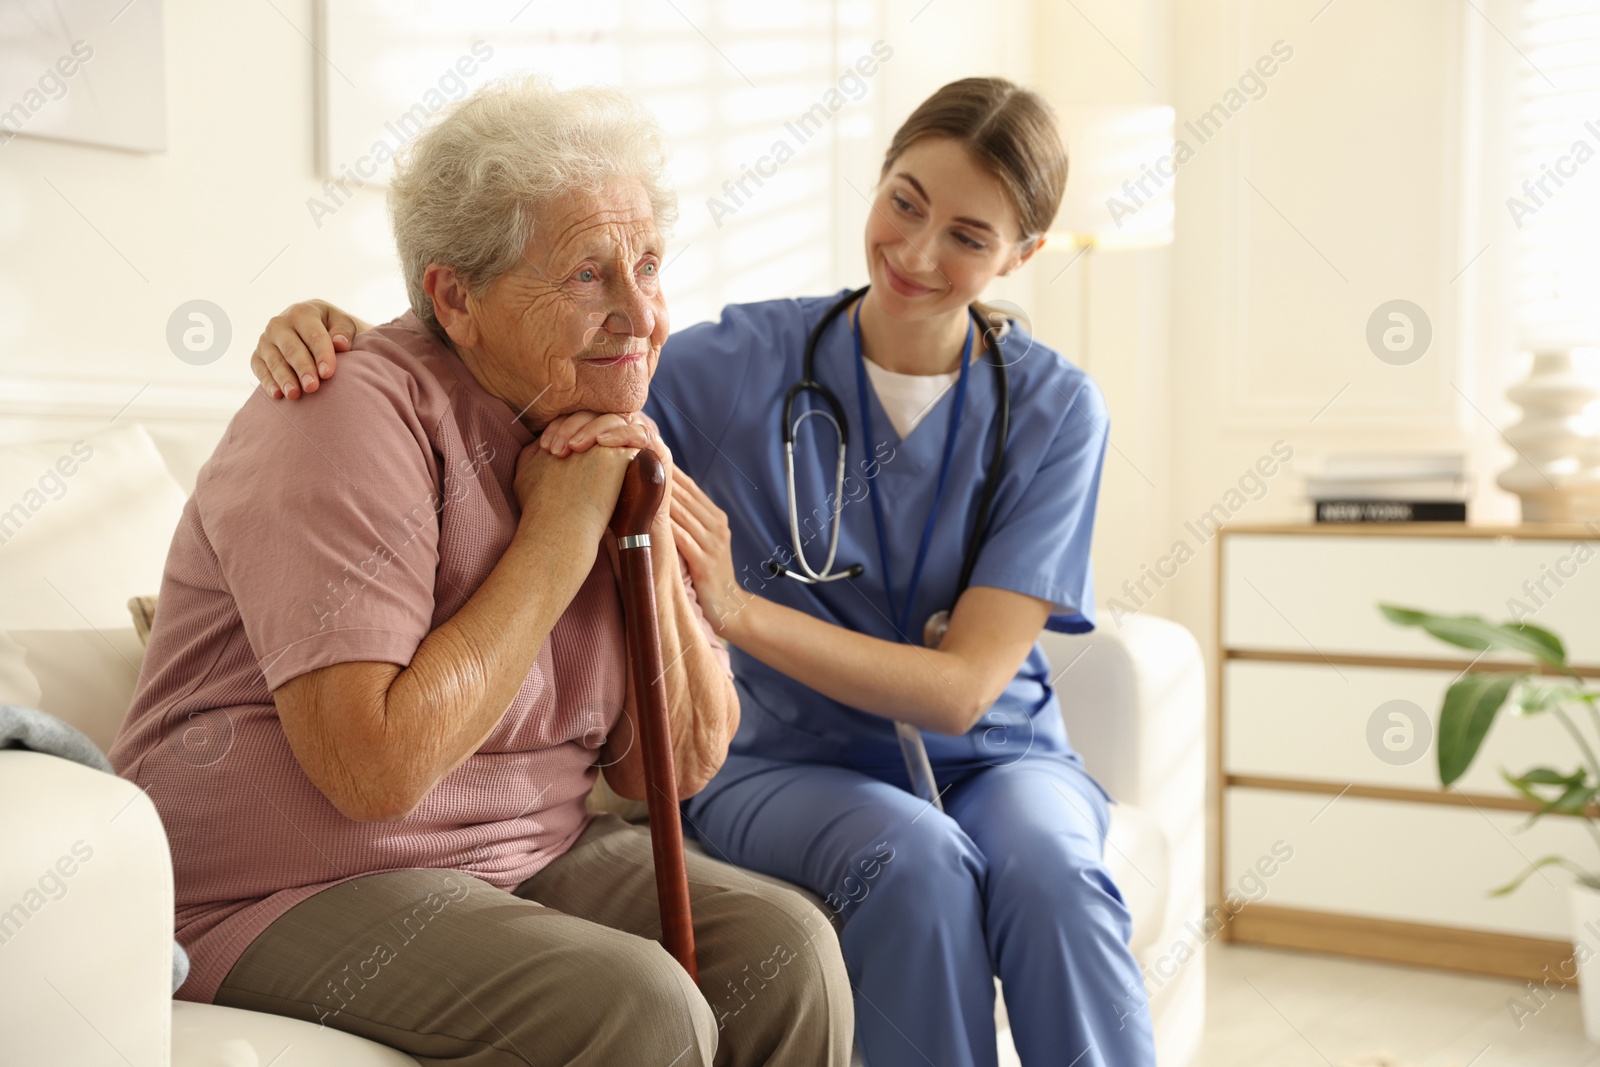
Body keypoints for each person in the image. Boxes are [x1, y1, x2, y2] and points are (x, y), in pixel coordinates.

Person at [251, 76, 1155, 1067]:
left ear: (1023, 254)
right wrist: (345, 329)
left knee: (1057, 873)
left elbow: (963, 690)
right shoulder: (732, 363)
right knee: (917, 863)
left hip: (997, 751)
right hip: (793, 755)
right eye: (904, 200)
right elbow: (518, 341)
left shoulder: (1056, 408)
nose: (917, 250)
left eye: (969, 236)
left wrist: (736, 609)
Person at [111, 76, 853, 1067]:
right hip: (278, 887)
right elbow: (372, 768)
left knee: (788, 947)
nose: (641, 315)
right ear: (454, 295)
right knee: (636, 1007)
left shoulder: (593, 417)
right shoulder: (342, 412)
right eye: (588, 275)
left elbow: (670, 768)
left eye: (647, 265)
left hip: (522, 852)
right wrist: (558, 534)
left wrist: (638, 505)